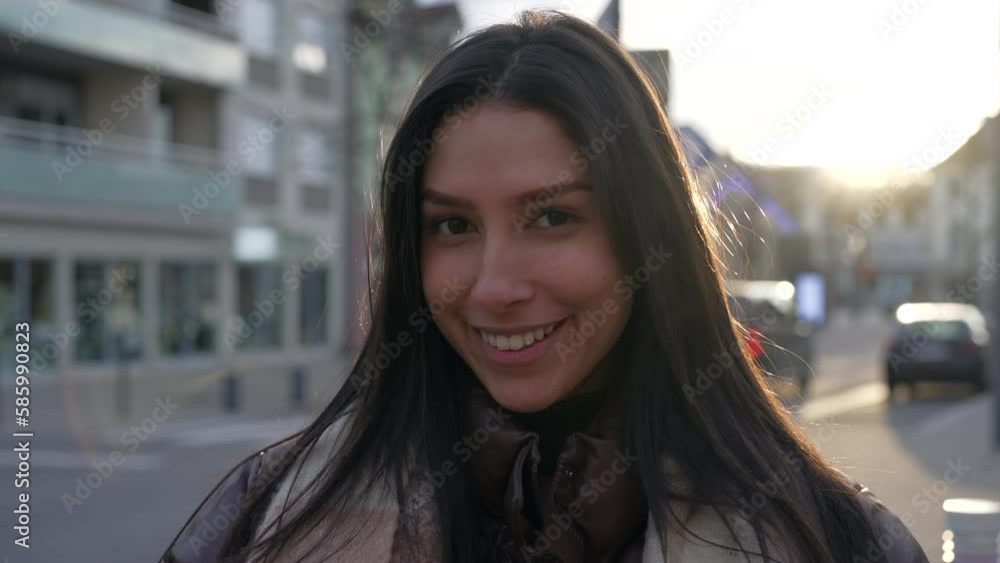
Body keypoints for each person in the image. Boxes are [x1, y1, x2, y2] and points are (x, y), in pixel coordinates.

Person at [160, 10, 928, 563]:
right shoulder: (271, 511)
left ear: (647, 234)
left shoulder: (841, 539)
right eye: (452, 227)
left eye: (553, 216)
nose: (494, 287)